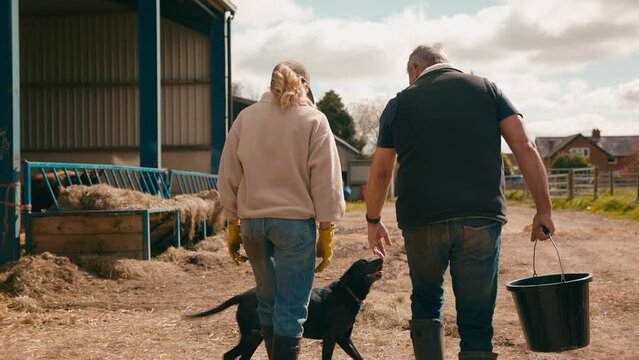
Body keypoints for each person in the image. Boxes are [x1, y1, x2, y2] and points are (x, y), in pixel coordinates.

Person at [365, 45, 555, 360]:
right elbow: (523, 144)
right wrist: (543, 209)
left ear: (414, 69)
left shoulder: (400, 103)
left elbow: (382, 169)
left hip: (422, 219)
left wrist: (373, 219)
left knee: (426, 299)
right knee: (477, 317)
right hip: (481, 218)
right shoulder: (487, 89)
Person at [218, 61, 345, 360]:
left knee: (267, 302)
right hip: (295, 227)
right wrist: (326, 229)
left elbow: (228, 176)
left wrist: (233, 221)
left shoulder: (245, 118)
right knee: (290, 308)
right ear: (306, 87)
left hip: (253, 225)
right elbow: (326, 180)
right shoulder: (314, 120)